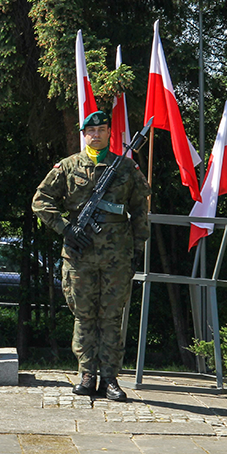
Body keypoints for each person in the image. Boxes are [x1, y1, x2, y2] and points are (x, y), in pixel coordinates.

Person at [32, 111, 150, 402]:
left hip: (116, 257)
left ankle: (110, 378)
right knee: (84, 317)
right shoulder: (68, 167)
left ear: (110, 132)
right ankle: (87, 374)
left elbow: (140, 211)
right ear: (84, 135)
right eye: (91, 131)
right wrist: (65, 228)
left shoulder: (125, 168)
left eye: (101, 129)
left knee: (111, 317)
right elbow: (40, 200)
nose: (96, 135)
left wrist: (137, 249)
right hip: (79, 255)